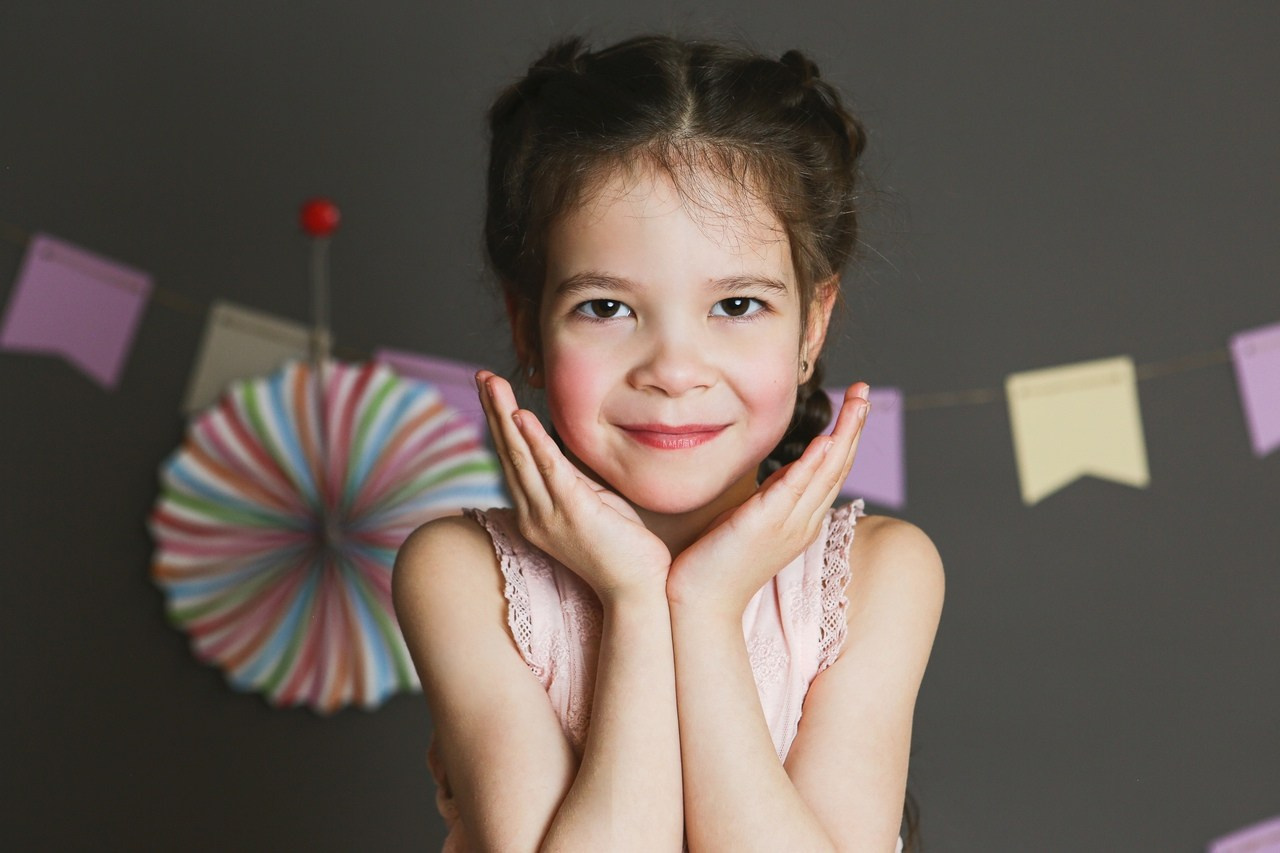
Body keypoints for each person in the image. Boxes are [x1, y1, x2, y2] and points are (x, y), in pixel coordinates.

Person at [393, 33, 944, 853]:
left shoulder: (878, 574)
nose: (674, 370)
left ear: (812, 323)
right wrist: (635, 599)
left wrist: (709, 604)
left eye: (738, 305)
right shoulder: (461, 574)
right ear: (528, 328)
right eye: (608, 308)